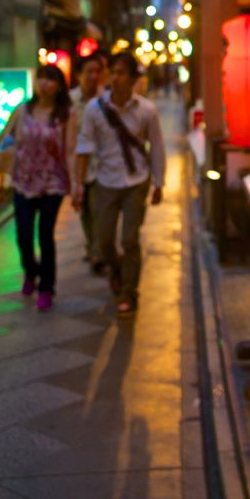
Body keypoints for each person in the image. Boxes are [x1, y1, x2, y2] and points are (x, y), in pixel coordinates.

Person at [72, 52, 166, 316]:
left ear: (133, 79)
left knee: (130, 238)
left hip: (136, 181)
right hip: (105, 181)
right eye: (111, 72)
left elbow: (157, 147)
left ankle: (129, 292)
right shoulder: (94, 109)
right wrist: (78, 185)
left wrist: (159, 182)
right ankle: (118, 270)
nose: (115, 77)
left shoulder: (146, 110)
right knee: (103, 242)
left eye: (121, 73)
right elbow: (84, 146)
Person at [0, 64, 72, 310]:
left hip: (53, 182)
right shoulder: (22, 110)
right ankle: (31, 272)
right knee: (23, 236)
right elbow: (1, 139)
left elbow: (70, 150)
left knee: (44, 235)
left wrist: (76, 185)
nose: (44, 83)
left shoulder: (64, 115)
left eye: (50, 79)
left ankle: (46, 287)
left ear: (59, 86)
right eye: (41, 77)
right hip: (23, 181)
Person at [68, 52, 105, 273]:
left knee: (99, 209)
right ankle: (92, 246)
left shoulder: (105, 100)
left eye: (96, 71)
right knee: (85, 210)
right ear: (79, 75)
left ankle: (98, 251)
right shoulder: (70, 101)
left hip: (101, 165)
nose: (93, 76)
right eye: (88, 72)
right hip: (77, 166)